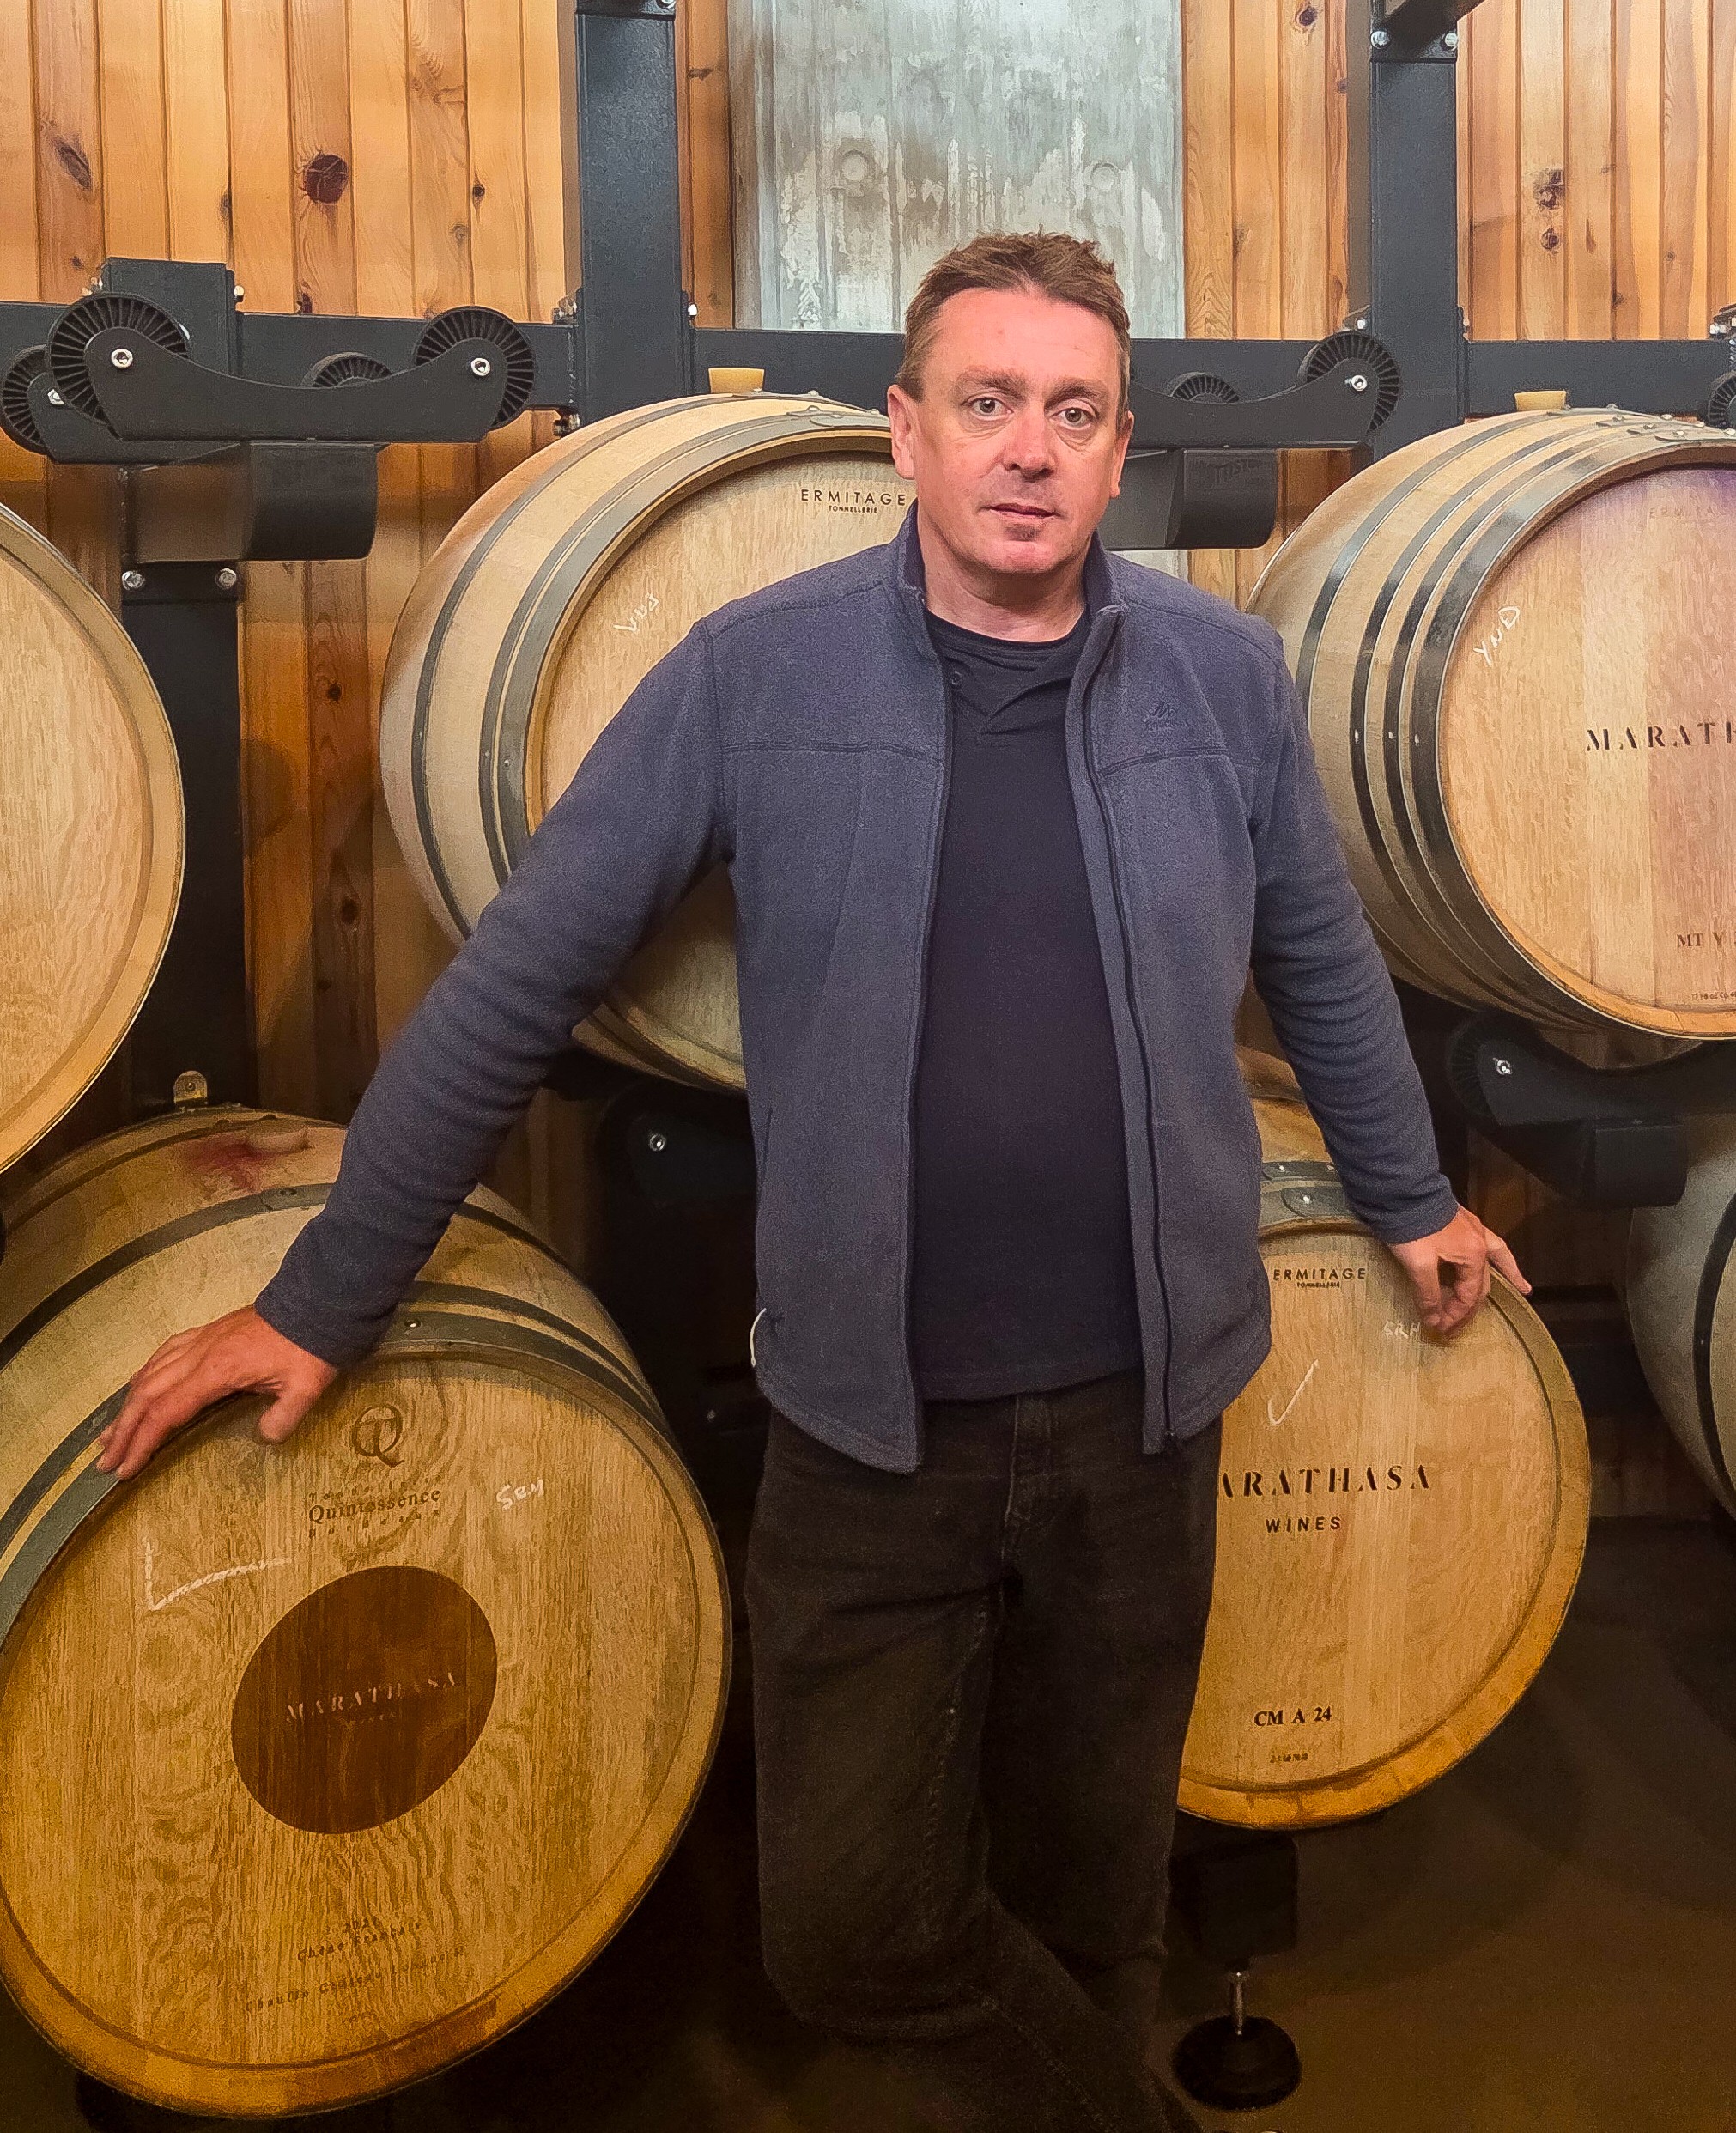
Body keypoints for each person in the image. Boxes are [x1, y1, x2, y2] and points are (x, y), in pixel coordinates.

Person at [100, 232, 1526, 2133]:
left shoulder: (1223, 676)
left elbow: (1327, 963)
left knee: (1091, 1897)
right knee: (848, 1927)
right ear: (909, 435)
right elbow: (521, 977)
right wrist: (321, 1296)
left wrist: (1412, 1193)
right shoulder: (752, 675)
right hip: (871, 1424)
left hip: (1148, 1410)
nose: (1030, 447)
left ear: (1119, 459)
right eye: (989, 402)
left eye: (1074, 411)